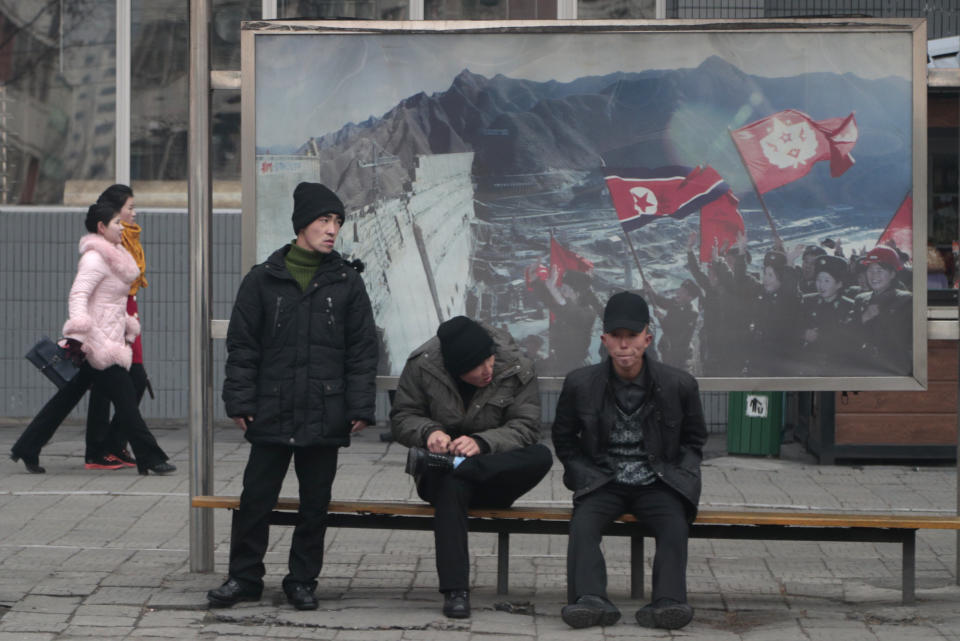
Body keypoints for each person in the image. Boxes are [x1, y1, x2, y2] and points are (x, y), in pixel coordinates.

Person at [207, 182, 378, 611]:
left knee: (314, 505)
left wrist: (359, 406)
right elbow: (242, 346)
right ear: (302, 224)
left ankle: (302, 580)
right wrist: (240, 400)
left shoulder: (348, 283)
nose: (332, 229)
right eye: (324, 220)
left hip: (325, 409)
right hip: (272, 407)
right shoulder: (262, 280)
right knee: (255, 500)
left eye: (337, 221)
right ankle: (243, 578)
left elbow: (361, 350)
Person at [553, 291, 706, 631]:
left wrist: (681, 476)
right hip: (604, 480)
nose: (624, 345)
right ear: (604, 339)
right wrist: (583, 476)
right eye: (616, 337)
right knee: (583, 525)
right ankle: (590, 600)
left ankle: (668, 602)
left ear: (647, 339)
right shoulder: (580, 384)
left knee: (674, 525)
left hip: (658, 480)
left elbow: (695, 441)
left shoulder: (678, 384)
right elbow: (564, 440)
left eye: (632, 337)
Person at [390, 316, 552, 619]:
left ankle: (462, 466)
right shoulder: (422, 365)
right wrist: (429, 432)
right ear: (453, 369)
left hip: (493, 474)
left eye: (489, 360)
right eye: (475, 368)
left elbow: (526, 427)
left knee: (541, 455)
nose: (487, 371)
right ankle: (456, 591)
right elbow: (402, 417)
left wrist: (483, 443)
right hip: (440, 475)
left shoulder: (517, 366)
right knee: (452, 484)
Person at [9, 203, 176, 476]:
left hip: (108, 337)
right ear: (101, 227)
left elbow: (112, 303)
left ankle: (27, 447)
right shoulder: (94, 259)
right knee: (126, 400)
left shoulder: (116, 257)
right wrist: (79, 330)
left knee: (66, 398)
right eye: (116, 223)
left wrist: (126, 325)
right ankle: (150, 457)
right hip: (99, 344)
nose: (122, 227)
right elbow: (78, 295)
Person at [85, 184, 147, 470]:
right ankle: (103, 447)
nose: (134, 214)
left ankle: (108, 445)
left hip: (125, 314)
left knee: (116, 382)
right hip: (111, 319)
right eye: (129, 208)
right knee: (124, 381)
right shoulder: (106, 243)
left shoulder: (127, 237)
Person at [852, 246, 912, 374]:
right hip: (864, 366)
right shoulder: (860, 300)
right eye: (870, 270)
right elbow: (848, 335)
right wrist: (864, 317)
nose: (874, 275)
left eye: (879, 270)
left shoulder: (906, 300)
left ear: (892, 274)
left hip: (895, 368)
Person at [799, 254, 856, 374]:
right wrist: (803, 334)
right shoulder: (807, 301)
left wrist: (820, 337)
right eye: (818, 280)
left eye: (826, 281)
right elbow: (792, 325)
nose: (821, 285)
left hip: (838, 367)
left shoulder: (850, 306)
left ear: (839, 284)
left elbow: (850, 340)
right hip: (809, 365)